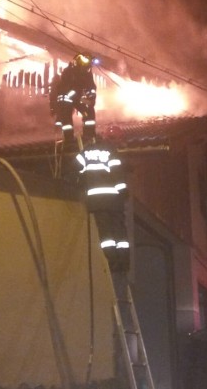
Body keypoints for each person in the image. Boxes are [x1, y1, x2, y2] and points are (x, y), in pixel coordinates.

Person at [76, 138, 129, 272]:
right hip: (114, 201)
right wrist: (123, 192)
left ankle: (111, 261)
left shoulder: (85, 153)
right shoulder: (110, 151)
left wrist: (82, 184)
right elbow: (117, 173)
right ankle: (123, 261)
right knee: (119, 231)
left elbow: (74, 170)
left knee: (105, 233)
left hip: (97, 201)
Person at [54, 52, 97, 145]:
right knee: (67, 120)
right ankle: (69, 140)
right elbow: (67, 90)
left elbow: (91, 87)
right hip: (65, 98)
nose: (87, 69)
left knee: (89, 111)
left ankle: (89, 135)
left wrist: (91, 99)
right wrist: (80, 99)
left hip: (76, 98)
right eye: (85, 66)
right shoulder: (69, 72)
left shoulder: (87, 73)